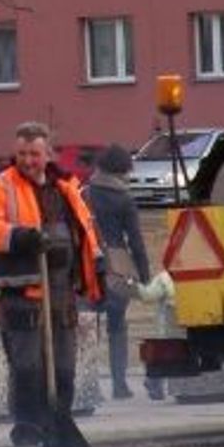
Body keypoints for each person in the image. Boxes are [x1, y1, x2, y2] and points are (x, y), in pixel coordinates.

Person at [0, 122, 104, 447]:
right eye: (22, 154)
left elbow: (85, 230)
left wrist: (95, 264)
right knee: (27, 366)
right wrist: (21, 237)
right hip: (22, 292)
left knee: (63, 367)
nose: (28, 160)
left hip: (62, 293)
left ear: (48, 154)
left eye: (34, 154)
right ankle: (27, 432)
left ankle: (58, 422)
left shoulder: (66, 188)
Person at [81, 144, 154, 400]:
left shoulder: (84, 193)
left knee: (87, 326)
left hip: (87, 261)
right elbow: (135, 240)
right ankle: (119, 384)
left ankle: (87, 386)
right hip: (118, 264)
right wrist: (145, 273)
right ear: (122, 170)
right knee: (117, 326)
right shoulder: (124, 198)